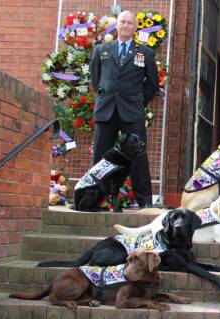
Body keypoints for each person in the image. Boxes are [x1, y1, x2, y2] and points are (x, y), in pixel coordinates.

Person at [89, 10, 159, 209]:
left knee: (138, 156)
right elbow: (96, 80)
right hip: (106, 110)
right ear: (116, 25)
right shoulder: (101, 50)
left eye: (130, 23)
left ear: (135, 27)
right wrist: (107, 95)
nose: (126, 25)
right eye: (123, 22)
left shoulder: (145, 53)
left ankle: (144, 201)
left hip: (132, 112)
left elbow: (152, 83)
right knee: (100, 156)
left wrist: (138, 102)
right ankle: (94, 199)